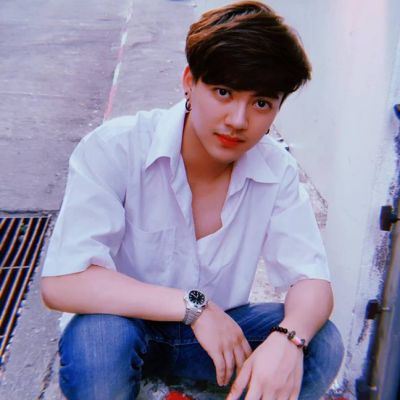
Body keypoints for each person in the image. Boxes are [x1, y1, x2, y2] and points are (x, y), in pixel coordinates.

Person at [41, 1, 344, 399]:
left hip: (215, 343)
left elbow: (312, 281)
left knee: (320, 343)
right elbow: (63, 283)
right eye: (223, 92)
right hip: (125, 328)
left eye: (261, 103)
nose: (238, 120)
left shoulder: (275, 170)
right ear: (189, 82)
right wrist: (194, 307)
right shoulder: (117, 148)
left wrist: (289, 340)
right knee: (98, 342)